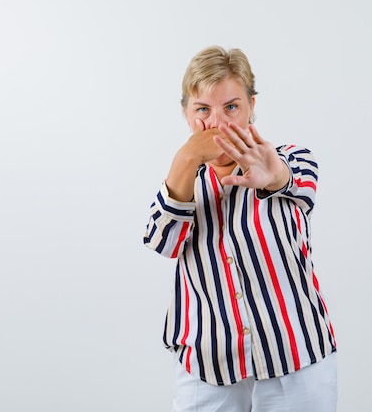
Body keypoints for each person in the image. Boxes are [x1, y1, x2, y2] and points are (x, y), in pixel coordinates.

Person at [143, 46, 338, 412]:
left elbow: (299, 184)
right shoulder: (181, 183)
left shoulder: (291, 158)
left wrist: (275, 175)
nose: (218, 124)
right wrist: (185, 159)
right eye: (203, 109)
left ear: (251, 105)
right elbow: (163, 242)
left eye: (231, 107)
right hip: (207, 364)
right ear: (186, 114)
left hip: (295, 356)